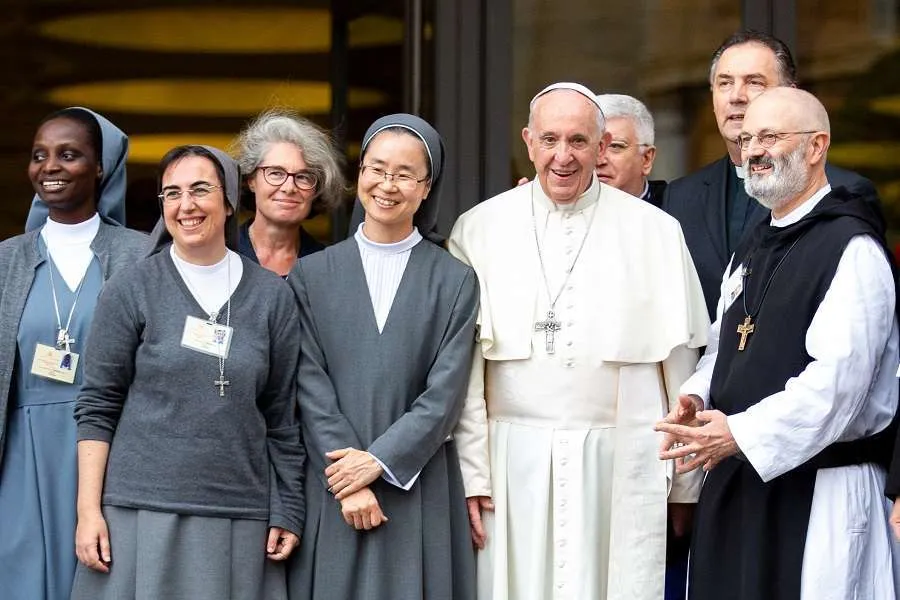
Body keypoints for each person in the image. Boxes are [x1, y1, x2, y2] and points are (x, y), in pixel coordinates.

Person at [448, 82, 709, 600]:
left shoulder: (654, 231)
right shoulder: (478, 228)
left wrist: (684, 485)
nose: (562, 157)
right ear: (527, 141)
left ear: (600, 144)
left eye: (578, 141)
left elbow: (679, 368)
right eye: (549, 140)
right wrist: (472, 476)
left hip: (618, 461)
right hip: (509, 462)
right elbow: (465, 376)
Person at [656, 87, 900, 600]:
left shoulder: (852, 250)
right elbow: (725, 348)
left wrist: (738, 434)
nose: (753, 151)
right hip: (741, 482)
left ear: (816, 147)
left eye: (770, 136)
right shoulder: (755, 241)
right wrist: (698, 397)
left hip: (818, 490)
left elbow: (838, 386)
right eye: (746, 139)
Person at [70, 145, 304, 600]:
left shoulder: (272, 298)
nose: (186, 205)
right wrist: (88, 512)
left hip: (240, 512)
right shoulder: (131, 289)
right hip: (140, 512)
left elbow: (282, 418)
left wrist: (287, 508)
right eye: (171, 194)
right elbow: (97, 406)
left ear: (231, 199)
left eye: (200, 190)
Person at [287, 114, 478, 600]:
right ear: (360, 174)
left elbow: (444, 395)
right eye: (377, 169)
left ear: (426, 187)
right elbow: (309, 385)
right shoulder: (311, 275)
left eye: (404, 174)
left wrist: (378, 461)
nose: (387, 185)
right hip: (332, 485)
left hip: (417, 484)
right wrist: (348, 481)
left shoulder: (455, 280)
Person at [0, 107, 146, 600]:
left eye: (69, 154)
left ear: (101, 166)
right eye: (40, 156)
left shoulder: (143, 256)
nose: (50, 167)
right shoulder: (4, 261)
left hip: (115, 451)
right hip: (20, 455)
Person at [662, 30, 878, 320]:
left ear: (791, 92)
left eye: (754, 82)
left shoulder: (844, 192)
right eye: (724, 83)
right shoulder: (680, 197)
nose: (737, 96)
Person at [234, 108, 345, 275]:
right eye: (276, 173)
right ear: (251, 180)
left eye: (303, 177)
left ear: (316, 190)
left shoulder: (327, 268)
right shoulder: (220, 256)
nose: (289, 188)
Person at [595, 93, 666, 206]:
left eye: (615, 146)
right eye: (594, 147)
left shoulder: (677, 209)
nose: (599, 161)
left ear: (646, 159)